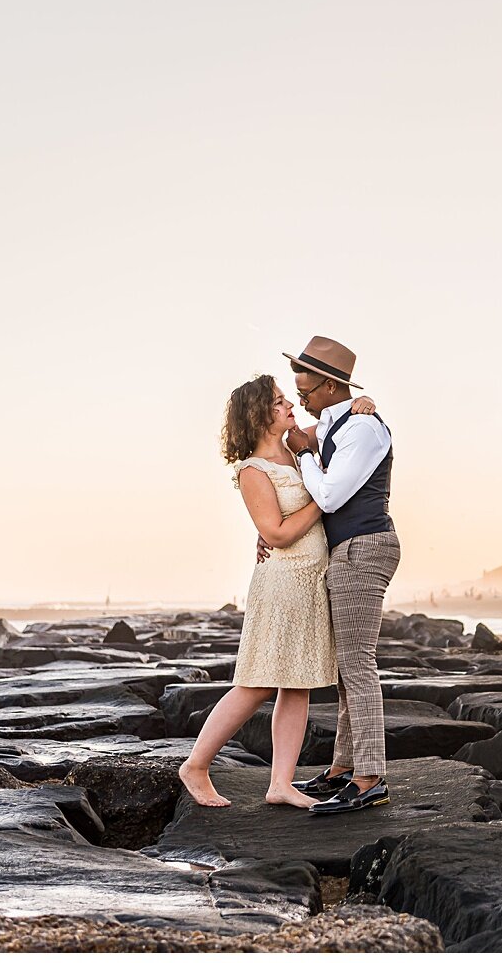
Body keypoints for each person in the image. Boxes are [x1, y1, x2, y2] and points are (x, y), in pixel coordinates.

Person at [178, 374, 374, 809]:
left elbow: (344, 421)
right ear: (258, 415)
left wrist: (365, 403)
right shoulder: (252, 469)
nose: (291, 405)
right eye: (280, 401)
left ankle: (280, 785)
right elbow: (277, 533)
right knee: (259, 681)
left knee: (298, 684)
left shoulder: (300, 443)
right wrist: (323, 503)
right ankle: (195, 765)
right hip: (283, 582)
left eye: (288, 398)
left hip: (312, 579)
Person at [278, 336, 401, 815]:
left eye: (304, 387)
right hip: (350, 549)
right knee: (348, 668)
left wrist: (306, 452)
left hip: (364, 548)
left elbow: (329, 497)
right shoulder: (339, 421)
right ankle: (343, 770)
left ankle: (369, 778)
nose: (299, 396)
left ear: (330, 385)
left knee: (357, 664)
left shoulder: (364, 429)